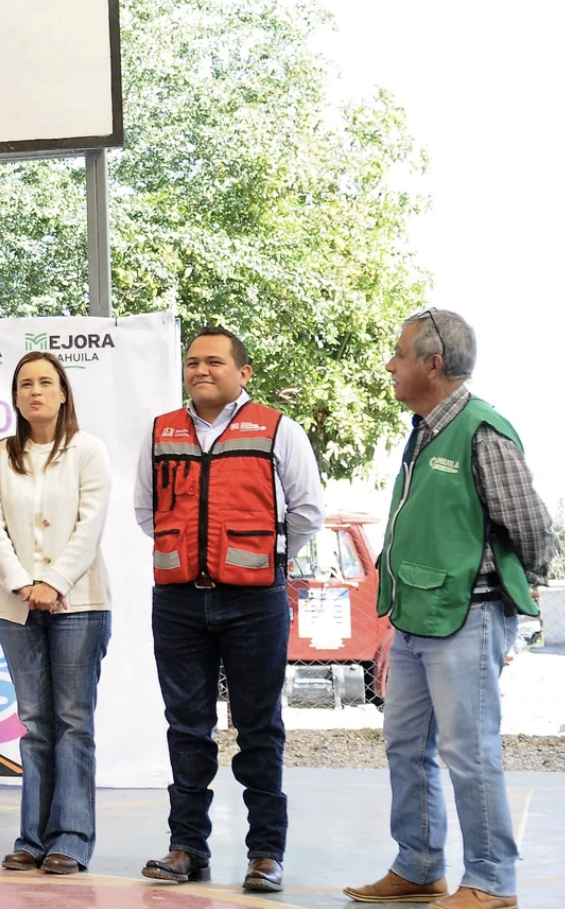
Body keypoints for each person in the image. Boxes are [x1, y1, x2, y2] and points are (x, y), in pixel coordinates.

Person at [344, 311, 555, 909]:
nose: (390, 364)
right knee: (405, 745)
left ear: (432, 364)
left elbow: (535, 529)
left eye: (399, 353)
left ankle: (491, 880)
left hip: (469, 614)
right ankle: (418, 866)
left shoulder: (483, 430)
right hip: (416, 617)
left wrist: (523, 589)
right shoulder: (424, 430)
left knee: (470, 751)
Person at [135, 326, 323, 893]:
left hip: (255, 601)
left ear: (243, 373)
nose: (200, 370)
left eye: (214, 362)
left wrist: (255, 556)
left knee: (259, 728)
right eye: (193, 362)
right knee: (186, 729)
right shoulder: (161, 431)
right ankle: (186, 847)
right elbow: (147, 511)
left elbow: (307, 511)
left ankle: (266, 852)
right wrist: (190, 554)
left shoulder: (277, 430)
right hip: (177, 602)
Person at [0, 351, 111, 876]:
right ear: (15, 397)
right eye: (25, 384)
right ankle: (32, 838)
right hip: (15, 607)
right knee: (35, 725)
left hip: (79, 603)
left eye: (46, 383)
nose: (35, 392)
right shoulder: (0, 455)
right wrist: (24, 584)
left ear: (63, 393)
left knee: (73, 723)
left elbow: (90, 524)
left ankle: (71, 840)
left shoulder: (87, 450)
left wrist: (53, 582)